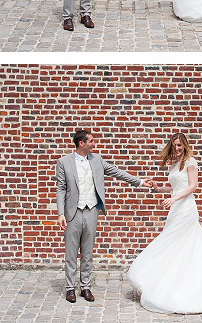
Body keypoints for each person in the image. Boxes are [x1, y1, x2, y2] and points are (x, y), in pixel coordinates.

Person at [127, 132, 202, 313]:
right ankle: (169, 278)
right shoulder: (174, 165)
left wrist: (174, 199)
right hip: (176, 209)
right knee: (174, 243)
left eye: (180, 145)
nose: (177, 148)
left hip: (186, 208)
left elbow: (193, 186)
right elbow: (175, 187)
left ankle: (192, 283)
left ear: (185, 146)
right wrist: (159, 188)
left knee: (181, 241)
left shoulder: (190, 162)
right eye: (175, 145)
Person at [54, 129, 155, 303]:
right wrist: (60, 213)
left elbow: (117, 172)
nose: (94, 144)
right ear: (81, 143)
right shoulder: (63, 162)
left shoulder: (97, 160)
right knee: (71, 252)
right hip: (72, 212)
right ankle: (70, 287)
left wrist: (139, 182)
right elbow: (61, 188)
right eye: (91, 141)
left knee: (87, 252)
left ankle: (85, 287)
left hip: (92, 210)